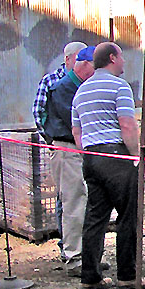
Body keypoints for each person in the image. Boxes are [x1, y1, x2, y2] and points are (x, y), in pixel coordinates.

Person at [71, 42, 145, 289]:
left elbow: (77, 131)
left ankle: (90, 277)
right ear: (111, 58)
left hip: (92, 157)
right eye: (121, 57)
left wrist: (89, 152)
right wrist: (137, 157)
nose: (124, 62)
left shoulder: (81, 91)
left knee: (95, 218)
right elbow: (127, 125)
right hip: (116, 155)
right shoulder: (120, 86)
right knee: (129, 216)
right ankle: (128, 276)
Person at [43, 46, 95, 275]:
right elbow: (78, 122)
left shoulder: (78, 86)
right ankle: (74, 257)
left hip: (78, 149)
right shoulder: (64, 88)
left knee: (83, 201)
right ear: (83, 65)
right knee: (73, 202)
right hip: (68, 148)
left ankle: (86, 255)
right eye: (95, 67)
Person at [34, 41, 86, 261]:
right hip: (65, 145)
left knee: (78, 198)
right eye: (80, 58)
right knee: (68, 200)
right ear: (68, 58)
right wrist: (52, 140)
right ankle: (69, 250)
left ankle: (80, 250)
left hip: (81, 148)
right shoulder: (52, 82)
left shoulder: (85, 81)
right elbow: (39, 113)